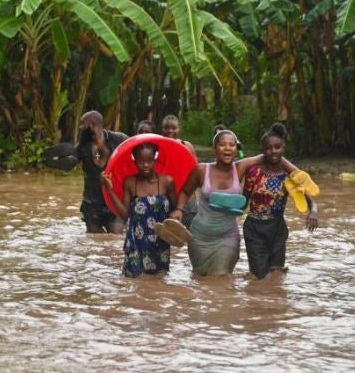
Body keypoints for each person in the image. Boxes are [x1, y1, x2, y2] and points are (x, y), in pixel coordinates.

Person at [168, 128, 297, 276]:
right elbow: (185, 191)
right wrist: (178, 209)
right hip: (200, 237)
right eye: (223, 144)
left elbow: (272, 156)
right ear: (215, 148)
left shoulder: (240, 167)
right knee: (200, 277)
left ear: (236, 149)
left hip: (228, 236)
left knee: (221, 277)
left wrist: (299, 174)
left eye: (232, 144)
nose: (228, 148)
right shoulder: (201, 170)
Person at [243, 123, 319, 279]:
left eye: (277, 147)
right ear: (262, 151)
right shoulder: (253, 172)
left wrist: (313, 213)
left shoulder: (289, 177)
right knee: (259, 277)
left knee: (276, 274)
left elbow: (311, 201)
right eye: (268, 148)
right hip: (254, 229)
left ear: (283, 148)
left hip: (277, 228)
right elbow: (243, 201)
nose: (273, 151)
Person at [101, 143, 176, 277]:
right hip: (136, 242)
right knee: (134, 282)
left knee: (159, 282)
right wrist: (109, 189)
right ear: (134, 160)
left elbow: (174, 213)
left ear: (155, 160)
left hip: (160, 243)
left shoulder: (167, 182)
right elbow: (125, 215)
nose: (145, 165)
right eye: (141, 161)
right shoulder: (130, 182)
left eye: (149, 161)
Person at [70, 110, 128, 233]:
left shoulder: (118, 139)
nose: (80, 128)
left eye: (82, 124)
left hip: (114, 199)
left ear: (92, 125)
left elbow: (138, 152)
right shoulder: (82, 145)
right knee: (94, 241)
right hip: (91, 203)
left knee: (115, 239)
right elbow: (71, 162)